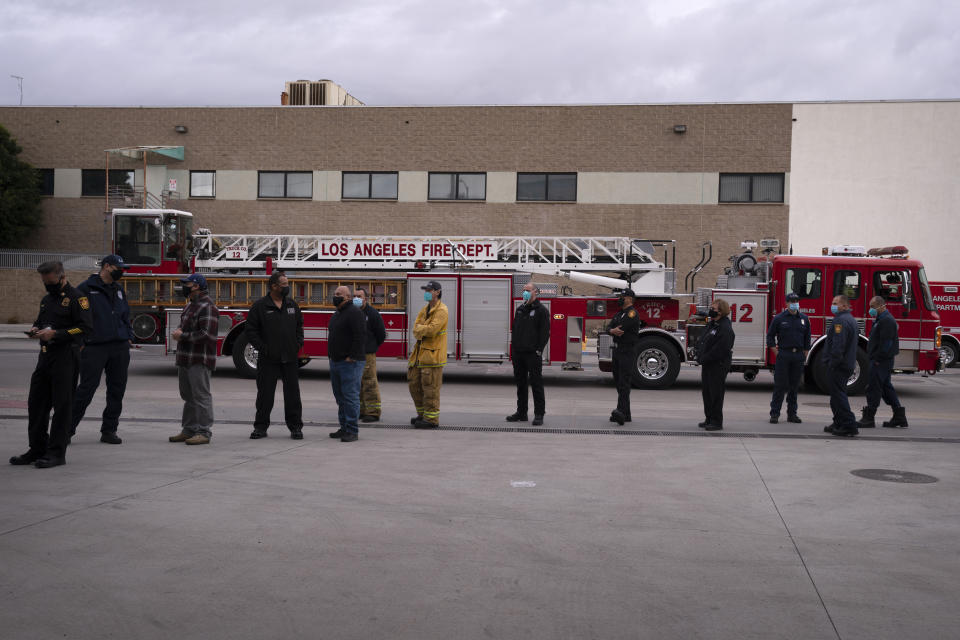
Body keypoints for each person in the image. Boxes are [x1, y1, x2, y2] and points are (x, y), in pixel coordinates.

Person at [10, 261, 92, 468]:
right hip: (45, 357)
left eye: (50, 281)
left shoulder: (77, 299)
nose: (47, 285)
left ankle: (56, 453)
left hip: (65, 357)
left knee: (62, 406)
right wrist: (36, 329)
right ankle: (37, 448)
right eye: (45, 282)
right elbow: (41, 321)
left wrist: (56, 334)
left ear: (62, 277)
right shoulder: (47, 300)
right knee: (36, 404)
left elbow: (85, 328)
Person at [70, 255, 134, 445]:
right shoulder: (86, 289)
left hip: (119, 347)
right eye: (119, 267)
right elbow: (77, 317)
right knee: (86, 389)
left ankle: (109, 430)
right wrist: (81, 340)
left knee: (117, 390)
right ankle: (66, 430)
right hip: (95, 347)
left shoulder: (119, 289)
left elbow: (125, 314)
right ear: (106, 266)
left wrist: (128, 334)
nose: (122, 271)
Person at [246, 271, 304, 440]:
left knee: (293, 395)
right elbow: (251, 331)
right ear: (274, 286)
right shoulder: (260, 306)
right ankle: (260, 427)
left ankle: (295, 428)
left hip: (290, 358)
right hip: (268, 359)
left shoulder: (292, 305)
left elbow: (299, 326)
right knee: (265, 395)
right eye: (284, 284)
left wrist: (297, 344)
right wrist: (263, 349)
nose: (288, 287)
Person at [169, 274, 219, 445]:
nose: (184, 286)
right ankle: (189, 429)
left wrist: (183, 336)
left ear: (196, 286)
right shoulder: (190, 305)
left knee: (201, 395)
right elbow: (184, 327)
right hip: (185, 358)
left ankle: (204, 432)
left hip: (199, 359)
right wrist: (180, 332)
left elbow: (207, 335)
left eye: (187, 284)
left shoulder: (208, 307)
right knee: (188, 396)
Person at [857, 295, 908, 429]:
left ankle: (869, 418)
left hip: (881, 361)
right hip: (881, 360)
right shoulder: (881, 319)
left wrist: (878, 359)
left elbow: (886, 343)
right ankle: (899, 416)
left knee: (873, 388)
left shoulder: (886, 321)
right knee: (886, 388)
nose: (870, 310)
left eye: (872, 307)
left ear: (881, 306)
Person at [507, 283, 550, 426]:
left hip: (532, 354)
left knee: (536, 384)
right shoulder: (520, 309)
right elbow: (515, 330)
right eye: (523, 290)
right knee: (521, 384)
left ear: (535, 292)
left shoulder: (541, 311)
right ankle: (521, 412)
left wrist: (538, 351)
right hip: (519, 353)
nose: (525, 292)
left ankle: (539, 414)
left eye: (528, 290)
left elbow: (544, 334)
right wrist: (514, 350)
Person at [327, 285, 366, 442]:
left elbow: (360, 336)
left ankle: (352, 430)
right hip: (336, 361)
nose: (335, 296)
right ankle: (343, 428)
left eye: (339, 294)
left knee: (350, 397)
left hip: (350, 363)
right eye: (335, 293)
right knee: (340, 397)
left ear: (348, 297)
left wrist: (352, 356)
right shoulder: (338, 313)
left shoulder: (354, 313)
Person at [766, 292, 811, 424]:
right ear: (786, 303)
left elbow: (807, 337)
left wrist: (805, 353)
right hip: (784, 355)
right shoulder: (779, 318)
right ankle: (774, 414)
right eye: (792, 301)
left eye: (796, 301)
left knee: (794, 387)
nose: (794, 303)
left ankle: (792, 414)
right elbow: (770, 336)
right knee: (780, 386)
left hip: (798, 356)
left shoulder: (804, 318)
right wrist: (776, 352)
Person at [408, 280, 449, 429]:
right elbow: (415, 329)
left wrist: (421, 329)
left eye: (429, 290)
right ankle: (422, 415)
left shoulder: (442, 310)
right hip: (419, 356)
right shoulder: (424, 309)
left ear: (437, 292)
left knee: (430, 389)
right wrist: (421, 329)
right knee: (415, 386)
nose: (426, 293)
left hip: (432, 357)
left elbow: (432, 330)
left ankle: (431, 419)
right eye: (425, 290)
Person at [823, 295, 859, 437]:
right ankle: (838, 421)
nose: (832, 305)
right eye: (832, 302)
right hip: (846, 364)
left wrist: (833, 363)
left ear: (844, 306)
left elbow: (838, 345)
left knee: (839, 396)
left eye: (835, 303)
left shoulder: (841, 321)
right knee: (836, 395)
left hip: (839, 366)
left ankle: (849, 425)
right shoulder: (849, 319)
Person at [696, 298, 735, 431]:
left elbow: (721, 349)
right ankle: (709, 418)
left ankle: (716, 421)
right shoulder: (713, 324)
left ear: (721, 311)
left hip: (717, 365)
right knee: (707, 393)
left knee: (715, 393)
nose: (710, 311)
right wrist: (699, 355)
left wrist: (705, 358)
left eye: (713, 309)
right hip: (708, 364)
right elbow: (704, 341)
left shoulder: (725, 327)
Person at [607, 288, 643, 426]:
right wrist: (611, 330)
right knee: (618, 381)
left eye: (622, 296)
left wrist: (613, 330)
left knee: (624, 382)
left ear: (629, 298)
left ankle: (621, 412)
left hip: (627, 350)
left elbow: (622, 328)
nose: (620, 298)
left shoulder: (632, 313)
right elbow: (610, 327)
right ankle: (625, 414)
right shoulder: (620, 313)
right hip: (617, 351)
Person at [356, 287, 387, 423]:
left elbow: (381, 334)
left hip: (367, 354)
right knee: (357, 384)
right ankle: (362, 410)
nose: (356, 299)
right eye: (354, 296)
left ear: (366, 298)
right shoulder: (351, 313)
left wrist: (371, 347)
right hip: (354, 354)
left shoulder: (372, 313)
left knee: (369, 383)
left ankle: (373, 412)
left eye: (359, 296)